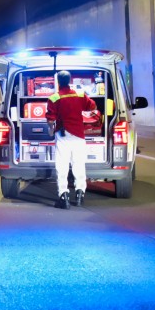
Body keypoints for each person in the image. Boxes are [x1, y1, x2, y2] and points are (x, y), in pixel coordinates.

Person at [46, 70, 97, 209]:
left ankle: (64, 196)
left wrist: (51, 130)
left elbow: (50, 119)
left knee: (62, 165)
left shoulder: (54, 98)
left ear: (58, 82)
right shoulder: (79, 94)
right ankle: (80, 194)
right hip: (79, 135)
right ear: (70, 80)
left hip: (63, 135)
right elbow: (92, 106)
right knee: (78, 164)